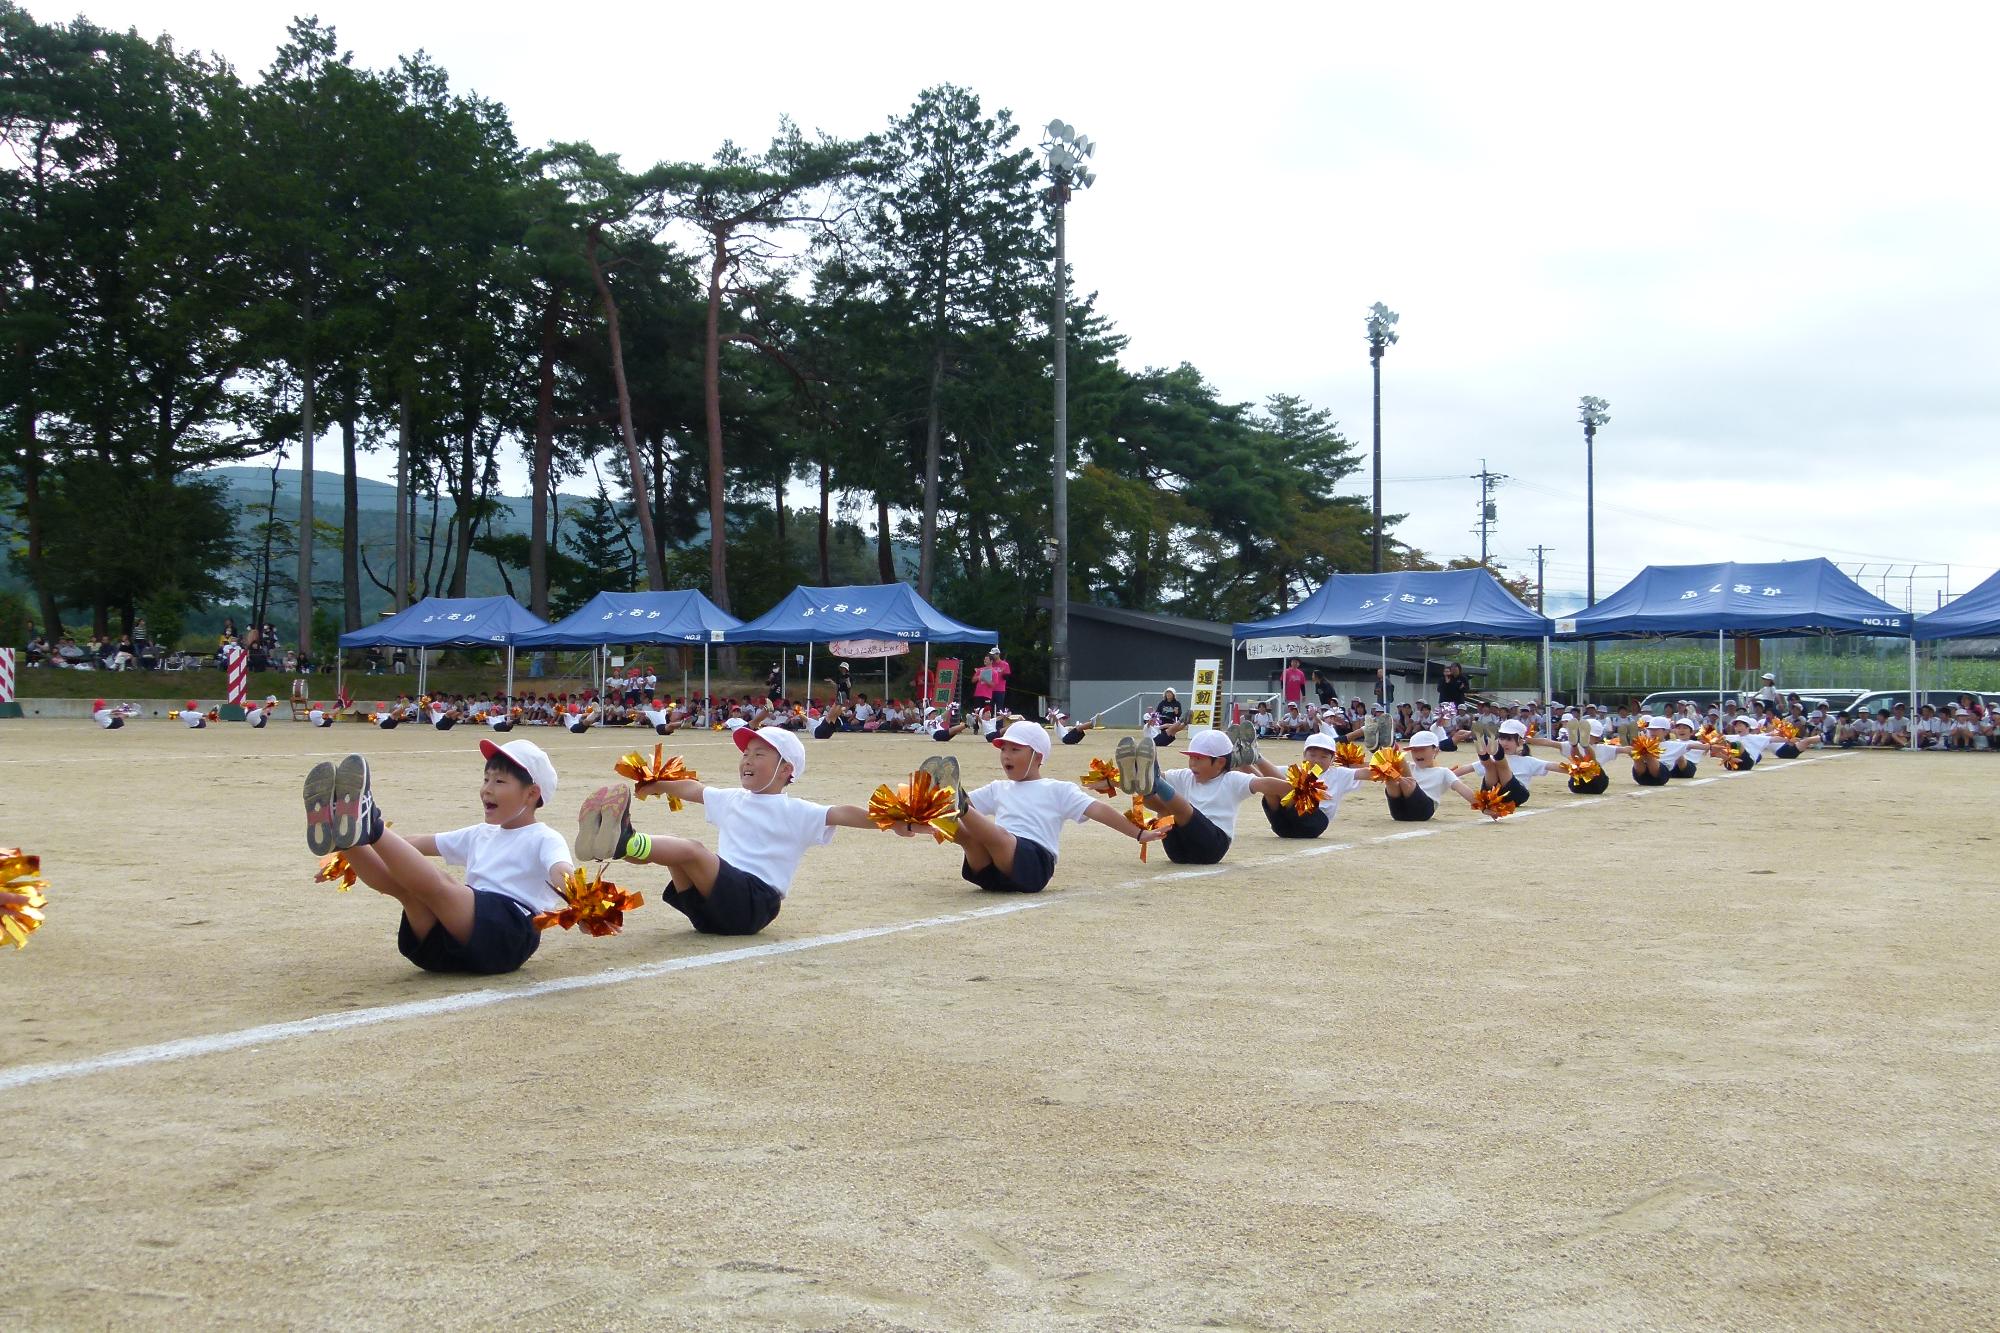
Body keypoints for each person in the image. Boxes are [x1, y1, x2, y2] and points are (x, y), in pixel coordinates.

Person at [578, 725, 884, 937]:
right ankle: (619, 845)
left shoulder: (797, 811)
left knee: (691, 849)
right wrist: (656, 783)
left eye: (760, 754)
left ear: (786, 769)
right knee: (677, 856)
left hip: (755, 903)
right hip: (708, 912)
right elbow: (693, 789)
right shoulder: (732, 799)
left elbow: (843, 813)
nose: (748, 759)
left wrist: (895, 819)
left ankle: (625, 841)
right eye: (746, 753)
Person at [305, 743, 575, 975]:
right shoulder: (481, 834)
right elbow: (414, 845)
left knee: (440, 887)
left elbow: (560, 870)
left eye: (499, 781)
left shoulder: (544, 837)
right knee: (411, 892)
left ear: (531, 794)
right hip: (448, 946)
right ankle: (348, 838)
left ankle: (370, 825)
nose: (487, 789)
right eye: (485, 780)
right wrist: (349, 857)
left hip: (509, 933)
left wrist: (578, 901)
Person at [920, 721, 1163, 894]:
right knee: (967, 835)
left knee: (999, 836)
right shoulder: (998, 788)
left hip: (1033, 866)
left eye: (1015, 750)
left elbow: (1099, 810)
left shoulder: (1057, 789)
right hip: (989, 873)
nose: (1006, 756)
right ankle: (945, 804)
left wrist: (1138, 833)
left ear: (1037, 757)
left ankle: (957, 805)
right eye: (1003, 749)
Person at [1114, 729, 1295, 866]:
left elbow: (1264, 784)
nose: (1193, 764)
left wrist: (1295, 789)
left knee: (1182, 809)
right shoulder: (1185, 775)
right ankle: (1140, 781)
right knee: (1163, 809)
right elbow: (1162, 776)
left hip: (1212, 847)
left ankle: (1152, 781)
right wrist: (1112, 780)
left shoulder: (1232, 779)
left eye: (1199, 759)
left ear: (1220, 762)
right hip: (1178, 852)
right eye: (1191, 758)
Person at [1250, 730, 1364, 840]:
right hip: (1282, 826)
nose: (1317, 760)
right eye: (1313, 755)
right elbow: (1258, 775)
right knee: (1270, 787)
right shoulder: (1295, 771)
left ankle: (1256, 756)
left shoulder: (1339, 773)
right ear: (1304, 755)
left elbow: (1367, 773)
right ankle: (1242, 756)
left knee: (1285, 787)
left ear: (1332, 758)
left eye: (1323, 757)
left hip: (1314, 824)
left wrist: (1380, 763)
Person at [1376, 731, 1478, 821]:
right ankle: (1381, 750)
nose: (1417, 753)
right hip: (1399, 813)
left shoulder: (1443, 772)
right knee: (1390, 777)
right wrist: (1359, 773)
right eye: (1414, 750)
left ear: (1436, 750)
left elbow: (1463, 790)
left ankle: (1391, 748)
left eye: (1422, 749)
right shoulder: (1409, 767)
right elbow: (1370, 772)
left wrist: (1485, 806)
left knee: (1407, 781)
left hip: (1423, 811)